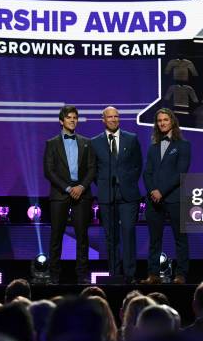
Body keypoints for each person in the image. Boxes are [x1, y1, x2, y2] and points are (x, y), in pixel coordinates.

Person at [43, 105, 96, 284]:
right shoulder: (51, 143)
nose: (73, 120)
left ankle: (82, 276)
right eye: (69, 117)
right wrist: (67, 188)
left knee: (82, 236)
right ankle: (54, 276)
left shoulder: (86, 142)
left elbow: (92, 168)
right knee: (56, 236)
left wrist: (81, 187)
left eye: (75, 117)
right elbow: (49, 171)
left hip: (82, 193)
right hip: (60, 194)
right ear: (61, 121)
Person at [90, 106, 142, 283]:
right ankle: (114, 274)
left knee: (128, 233)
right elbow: (94, 169)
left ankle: (129, 275)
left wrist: (128, 181)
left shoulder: (131, 139)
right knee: (111, 237)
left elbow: (137, 165)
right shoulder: (95, 142)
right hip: (107, 196)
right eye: (110, 117)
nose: (113, 119)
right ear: (103, 120)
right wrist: (103, 185)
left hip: (128, 196)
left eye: (116, 116)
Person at [141, 108, 191, 284]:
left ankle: (181, 274)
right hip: (154, 201)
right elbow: (146, 173)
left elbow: (180, 172)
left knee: (180, 238)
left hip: (174, 198)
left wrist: (161, 191)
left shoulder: (183, 145)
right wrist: (152, 191)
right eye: (159, 120)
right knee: (154, 240)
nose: (162, 123)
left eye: (165, 120)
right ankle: (153, 275)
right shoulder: (153, 147)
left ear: (172, 122)